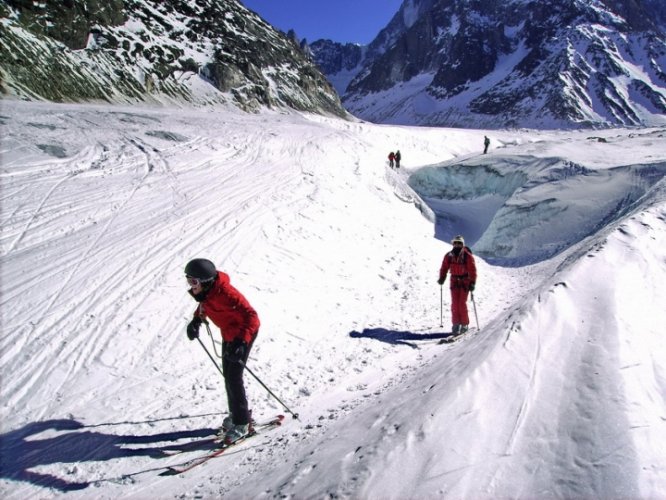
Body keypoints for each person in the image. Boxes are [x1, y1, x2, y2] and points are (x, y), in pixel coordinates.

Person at [184, 258, 260, 443]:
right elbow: (204, 305)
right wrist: (196, 321)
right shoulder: (208, 293)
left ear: (206, 281)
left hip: (243, 334)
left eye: (193, 281)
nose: (190, 285)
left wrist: (242, 342)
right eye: (188, 280)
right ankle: (236, 414)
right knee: (228, 375)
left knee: (234, 377)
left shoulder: (226, 293)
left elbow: (252, 317)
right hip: (229, 335)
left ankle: (242, 423)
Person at [437, 235, 477, 335]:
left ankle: (464, 324)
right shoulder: (449, 256)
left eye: (459, 243)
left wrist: (472, 282)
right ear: (453, 244)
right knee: (454, 304)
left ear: (462, 244)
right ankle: (456, 324)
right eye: (455, 242)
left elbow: (472, 270)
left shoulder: (467, 256)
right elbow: (444, 267)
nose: (457, 244)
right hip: (454, 281)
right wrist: (442, 277)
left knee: (461, 304)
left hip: (465, 282)